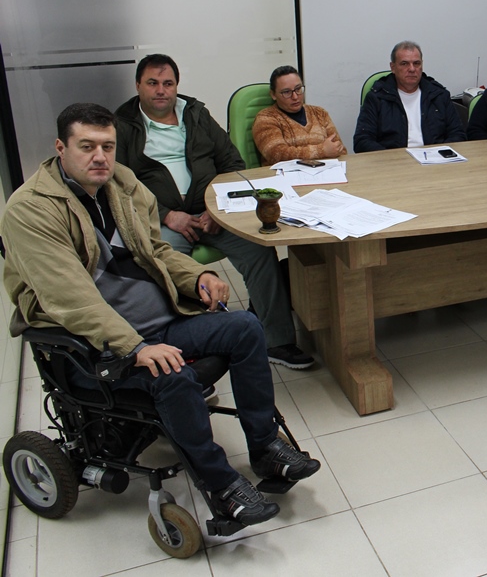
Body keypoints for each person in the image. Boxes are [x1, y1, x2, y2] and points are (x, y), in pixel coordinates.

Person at [0, 103, 321, 526]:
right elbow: (70, 299)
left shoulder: (122, 183)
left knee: (245, 327)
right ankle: (221, 485)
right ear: (61, 148)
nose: (100, 156)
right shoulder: (30, 210)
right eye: (87, 146)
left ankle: (264, 448)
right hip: (100, 350)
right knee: (172, 374)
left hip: (160, 322)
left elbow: (157, 251)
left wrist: (198, 277)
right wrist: (136, 347)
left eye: (107, 146)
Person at [114, 54, 314, 369]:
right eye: (152, 83)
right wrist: (166, 214)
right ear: (138, 85)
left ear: (177, 85)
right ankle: (182, 348)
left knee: (259, 249)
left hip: (211, 211)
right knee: (161, 266)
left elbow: (231, 162)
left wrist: (216, 207)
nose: (161, 90)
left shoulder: (195, 114)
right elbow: (119, 183)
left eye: (168, 83)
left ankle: (276, 341)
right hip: (161, 220)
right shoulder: (123, 125)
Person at [353, 41, 466, 152]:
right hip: (393, 160)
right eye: (404, 63)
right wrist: (390, 158)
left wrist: (439, 154)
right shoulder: (377, 97)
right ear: (393, 67)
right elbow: (362, 141)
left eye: (416, 63)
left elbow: (458, 134)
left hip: (435, 158)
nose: (412, 69)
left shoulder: (438, 95)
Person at [252, 65, 347, 165]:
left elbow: (340, 150)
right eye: (286, 92)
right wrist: (321, 151)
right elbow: (276, 154)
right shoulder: (265, 118)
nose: (295, 96)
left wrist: (331, 151)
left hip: (326, 171)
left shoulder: (320, 113)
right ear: (273, 95)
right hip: (286, 173)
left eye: (298, 89)